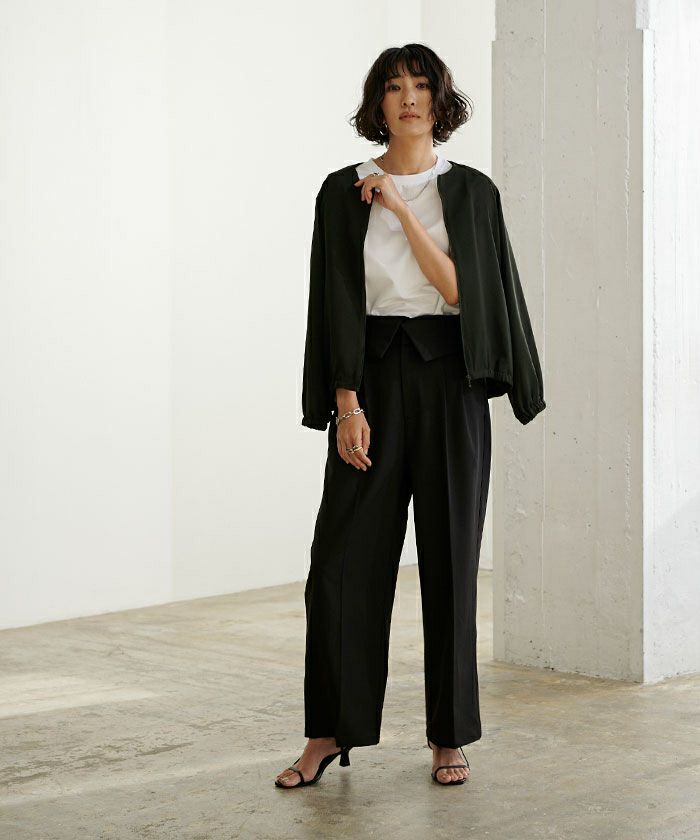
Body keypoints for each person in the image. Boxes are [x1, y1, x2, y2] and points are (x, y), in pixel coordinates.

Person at [275, 43, 545, 789]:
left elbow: (460, 291)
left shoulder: (473, 192)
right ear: (378, 104)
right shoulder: (340, 192)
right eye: (394, 87)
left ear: (439, 100)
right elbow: (334, 301)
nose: (409, 98)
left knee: (451, 561)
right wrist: (347, 404)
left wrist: (399, 208)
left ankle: (448, 736)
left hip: (451, 383)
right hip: (371, 382)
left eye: (421, 85)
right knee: (340, 568)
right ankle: (327, 731)